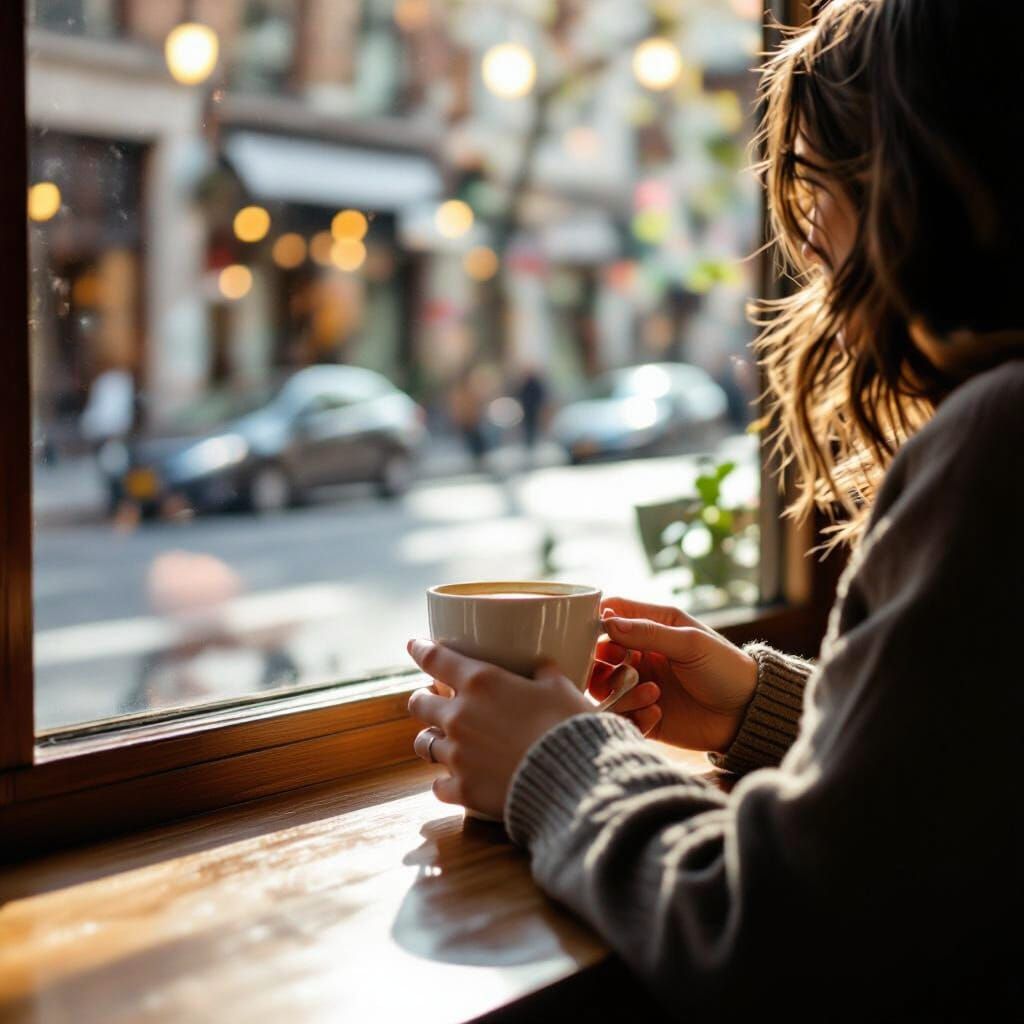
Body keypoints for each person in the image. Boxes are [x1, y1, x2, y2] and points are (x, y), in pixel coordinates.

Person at [407, 1, 1022, 1017]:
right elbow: (965, 783)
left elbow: (782, 929)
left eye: (815, 192)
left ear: (909, 190)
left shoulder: (1002, 442)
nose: (810, 252)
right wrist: (761, 707)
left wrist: (549, 759)